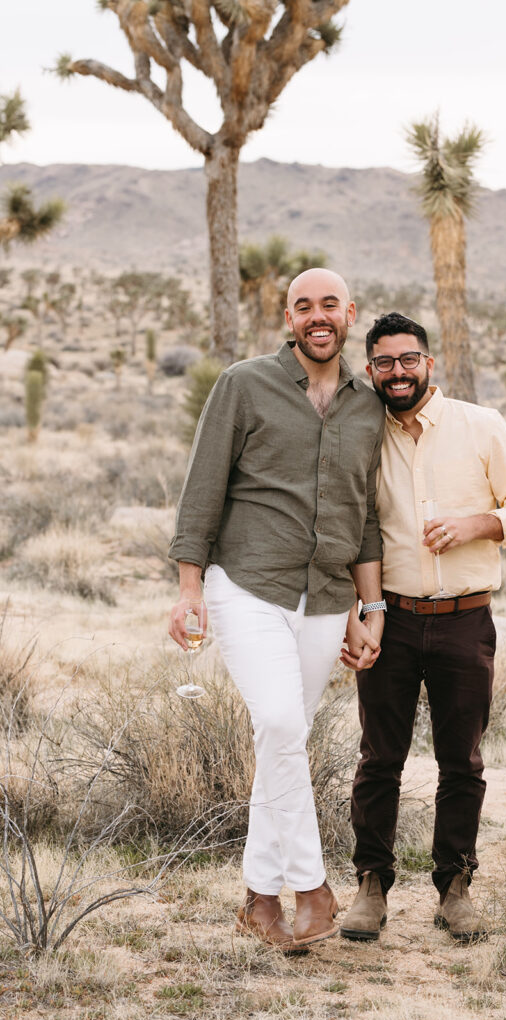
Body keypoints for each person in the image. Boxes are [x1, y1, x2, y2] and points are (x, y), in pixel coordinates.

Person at [168, 269, 386, 952]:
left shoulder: (367, 406)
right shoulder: (243, 383)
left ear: (347, 314)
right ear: (287, 317)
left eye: (328, 305)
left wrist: (367, 607)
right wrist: (188, 587)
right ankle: (316, 890)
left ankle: (260, 900)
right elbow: (203, 484)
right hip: (248, 585)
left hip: (325, 598)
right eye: (302, 307)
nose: (316, 316)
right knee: (281, 722)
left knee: (281, 744)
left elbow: (364, 516)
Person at [340, 312, 506, 942]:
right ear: (370, 368)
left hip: (464, 619)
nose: (397, 373)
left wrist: (476, 523)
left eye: (408, 361)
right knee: (380, 760)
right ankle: (371, 888)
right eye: (383, 363)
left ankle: (455, 889)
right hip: (390, 619)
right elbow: (350, 530)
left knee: (463, 762)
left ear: (429, 363)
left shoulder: (479, 426)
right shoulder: (361, 433)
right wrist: (359, 611)